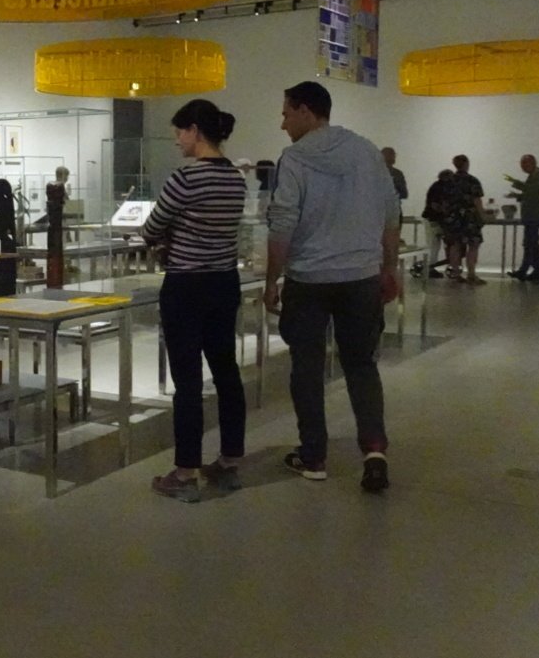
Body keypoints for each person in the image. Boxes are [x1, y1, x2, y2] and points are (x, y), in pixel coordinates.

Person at [264, 81, 397, 493]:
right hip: (360, 277)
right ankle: (374, 451)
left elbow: (283, 223)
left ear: (306, 111)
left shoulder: (294, 159)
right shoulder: (367, 151)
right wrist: (389, 268)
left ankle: (314, 456)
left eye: (286, 113)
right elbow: (391, 213)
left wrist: (272, 279)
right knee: (361, 365)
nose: (283, 123)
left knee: (307, 367)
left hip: (308, 280)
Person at [142, 100, 247, 503]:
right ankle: (230, 461)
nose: (177, 141)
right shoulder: (235, 178)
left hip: (186, 286)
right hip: (224, 282)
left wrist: (166, 236)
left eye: (179, 132)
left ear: (195, 131)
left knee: (187, 380)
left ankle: (186, 471)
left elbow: (152, 227)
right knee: (226, 370)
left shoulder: (185, 178)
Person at [442, 154, 486, 285]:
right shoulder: (472, 181)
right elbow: (477, 200)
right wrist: (482, 216)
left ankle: (456, 274)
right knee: (473, 245)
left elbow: (444, 201)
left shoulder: (449, 182)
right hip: (470, 217)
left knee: (455, 245)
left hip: (454, 218)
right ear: (466, 164)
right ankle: (471, 274)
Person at [505, 155, 539, 283]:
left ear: (533, 163)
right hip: (532, 215)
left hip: (535, 215)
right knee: (532, 243)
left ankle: (524, 270)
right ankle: (536, 270)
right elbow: (531, 194)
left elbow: (532, 190)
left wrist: (516, 183)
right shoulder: (534, 176)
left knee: (530, 243)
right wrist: (518, 196)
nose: (523, 167)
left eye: (525, 164)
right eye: (522, 164)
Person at [419, 169, 455, 278]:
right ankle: (430, 267)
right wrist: (445, 212)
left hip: (435, 218)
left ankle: (432, 266)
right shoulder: (438, 188)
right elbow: (434, 205)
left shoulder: (438, 186)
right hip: (433, 219)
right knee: (434, 244)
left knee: (435, 244)